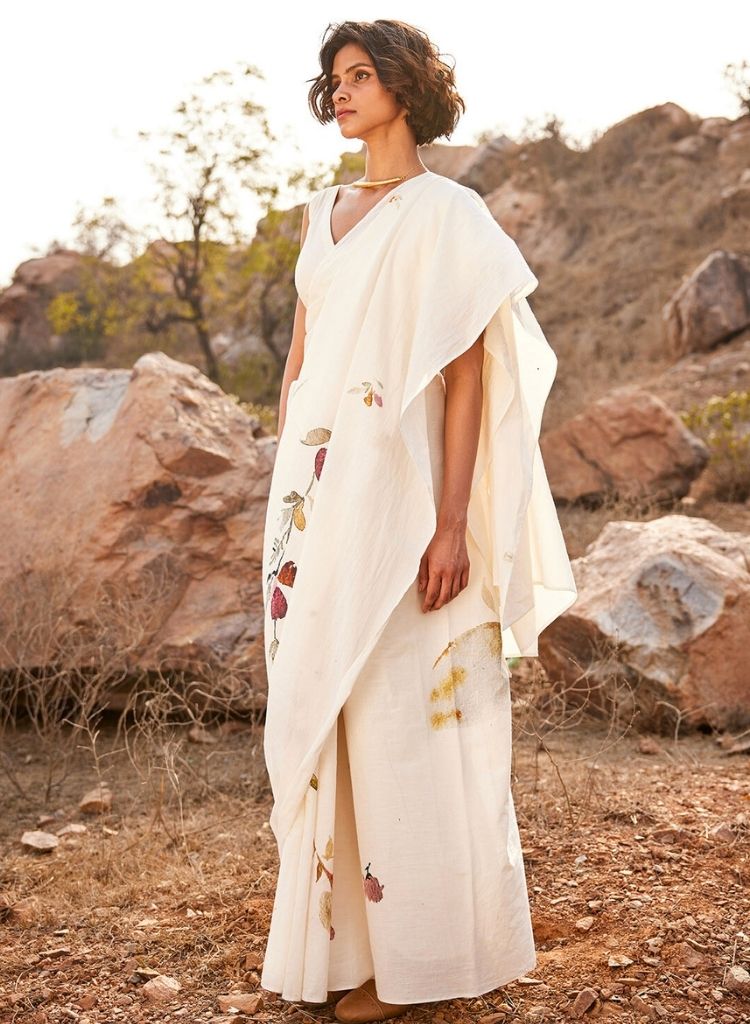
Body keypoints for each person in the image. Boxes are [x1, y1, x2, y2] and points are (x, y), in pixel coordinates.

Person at [259, 18, 578, 1023]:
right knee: (324, 708)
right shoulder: (319, 213)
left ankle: (424, 962)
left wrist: (449, 526)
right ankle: (343, 951)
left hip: (402, 503)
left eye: (362, 75)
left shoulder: (449, 214)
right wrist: (286, 495)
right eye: (334, 79)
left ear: (404, 87)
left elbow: (467, 376)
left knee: (406, 716)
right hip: (316, 502)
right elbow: (301, 361)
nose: (343, 92)